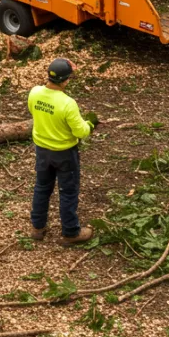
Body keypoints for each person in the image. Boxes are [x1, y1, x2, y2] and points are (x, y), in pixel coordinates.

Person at [28, 58, 98, 246]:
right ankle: (70, 232)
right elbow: (80, 132)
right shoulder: (68, 103)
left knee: (42, 187)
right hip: (65, 154)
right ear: (65, 80)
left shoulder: (34, 93)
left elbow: (33, 112)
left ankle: (37, 227)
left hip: (42, 150)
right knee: (68, 191)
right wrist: (90, 125)